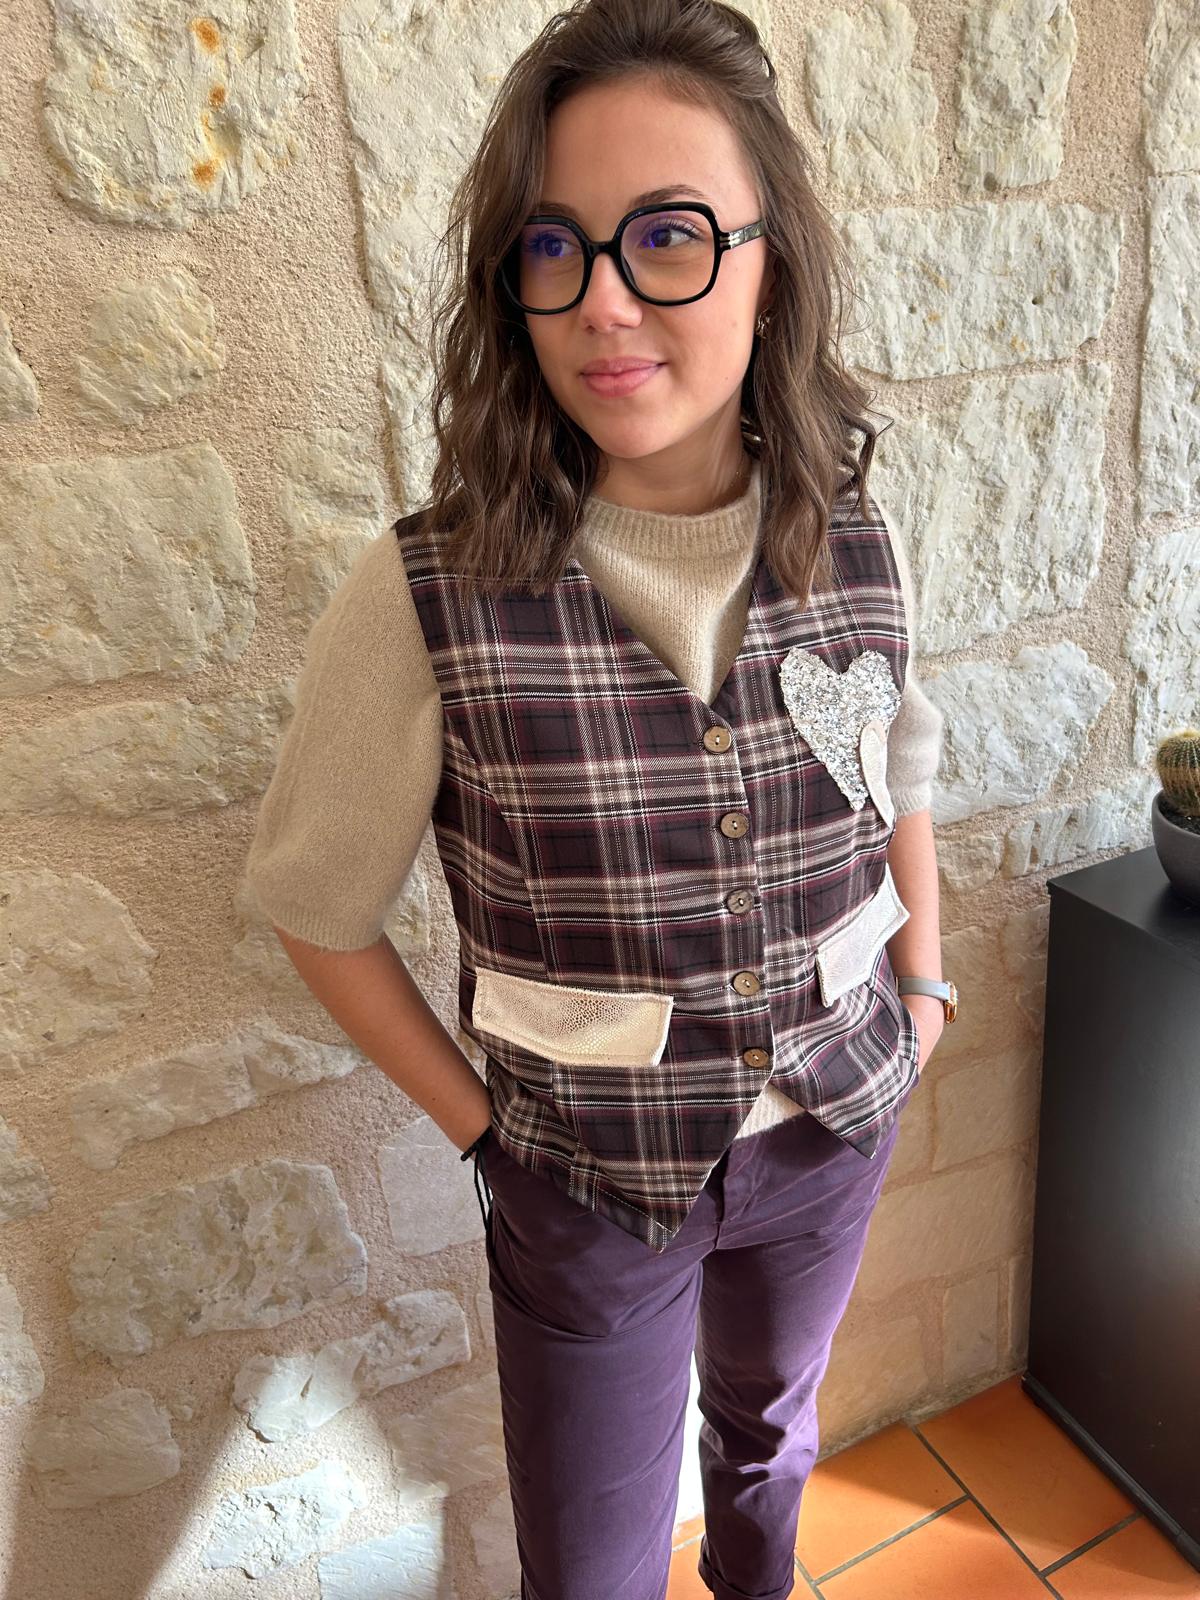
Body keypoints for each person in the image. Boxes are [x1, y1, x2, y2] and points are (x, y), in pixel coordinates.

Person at [246, 2, 950, 1596]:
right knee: (592, 1560)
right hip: (583, 1185)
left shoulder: (861, 538)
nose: (605, 302)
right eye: (555, 248)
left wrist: (925, 991)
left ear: (771, 262)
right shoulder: (425, 594)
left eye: (670, 237)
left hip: (836, 1125)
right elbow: (315, 908)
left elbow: (900, 769)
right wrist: (489, 1141)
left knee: (774, 1441)